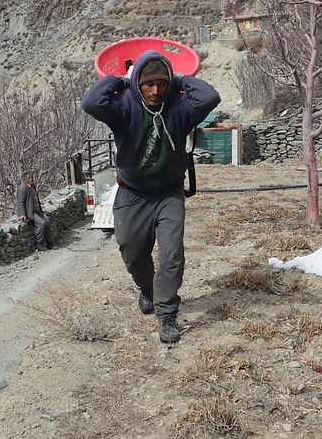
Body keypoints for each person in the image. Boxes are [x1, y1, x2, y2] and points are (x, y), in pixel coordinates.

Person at [81, 50, 220, 343]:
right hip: (132, 193)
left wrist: (181, 78)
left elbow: (209, 98)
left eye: (162, 83)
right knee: (132, 252)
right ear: (137, 84)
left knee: (172, 253)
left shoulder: (179, 106)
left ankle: (166, 313)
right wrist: (120, 80)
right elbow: (91, 102)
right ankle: (146, 288)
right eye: (148, 83)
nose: (156, 90)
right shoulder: (123, 106)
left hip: (168, 193)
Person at [17, 171, 53, 251]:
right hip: (31, 212)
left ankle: (49, 243)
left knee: (47, 221)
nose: (31, 179)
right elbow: (20, 201)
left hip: (37, 209)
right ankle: (39, 243)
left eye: (32, 177)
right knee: (41, 223)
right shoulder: (22, 188)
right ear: (24, 179)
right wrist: (22, 214)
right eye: (29, 178)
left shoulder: (32, 186)